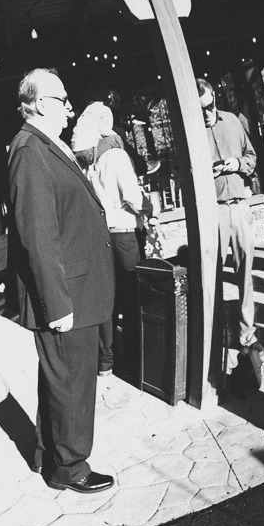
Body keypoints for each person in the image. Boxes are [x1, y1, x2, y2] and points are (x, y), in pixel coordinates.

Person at [8, 69, 116, 495]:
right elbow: (37, 235)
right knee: (73, 382)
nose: (70, 108)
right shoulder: (31, 150)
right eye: (62, 100)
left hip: (74, 288)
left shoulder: (43, 146)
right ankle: (70, 468)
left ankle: (48, 456)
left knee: (60, 380)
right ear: (35, 103)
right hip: (66, 294)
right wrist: (58, 304)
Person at [70, 101, 155, 380]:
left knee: (107, 302)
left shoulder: (88, 162)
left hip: (99, 239)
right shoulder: (116, 156)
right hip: (124, 237)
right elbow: (131, 195)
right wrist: (148, 207)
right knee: (132, 299)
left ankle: (105, 361)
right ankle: (134, 360)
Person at [199, 78, 264, 385]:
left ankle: (247, 338)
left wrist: (236, 163)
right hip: (212, 210)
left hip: (238, 207)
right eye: (202, 110)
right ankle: (214, 344)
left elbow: (252, 158)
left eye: (210, 106)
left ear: (215, 99)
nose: (208, 114)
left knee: (244, 275)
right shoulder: (193, 130)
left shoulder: (234, 122)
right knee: (212, 278)